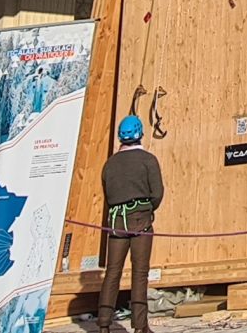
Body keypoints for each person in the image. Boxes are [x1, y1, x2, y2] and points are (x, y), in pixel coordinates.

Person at [99, 115, 165, 333]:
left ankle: (104, 324)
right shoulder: (148, 160)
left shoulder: (109, 164)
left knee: (112, 272)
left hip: (117, 222)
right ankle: (140, 326)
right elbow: (157, 194)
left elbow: (108, 196)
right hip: (141, 220)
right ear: (140, 134)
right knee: (139, 273)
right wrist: (145, 211)